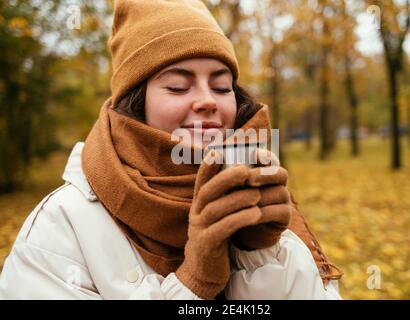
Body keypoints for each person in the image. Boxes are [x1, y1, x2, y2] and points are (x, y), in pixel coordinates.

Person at [0, 0, 343, 300]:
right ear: (136, 104)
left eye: (222, 85)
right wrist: (193, 283)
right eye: (178, 86)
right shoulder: (62, 226)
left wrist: (261, 256)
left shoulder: (260, 193)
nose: (208, 100)